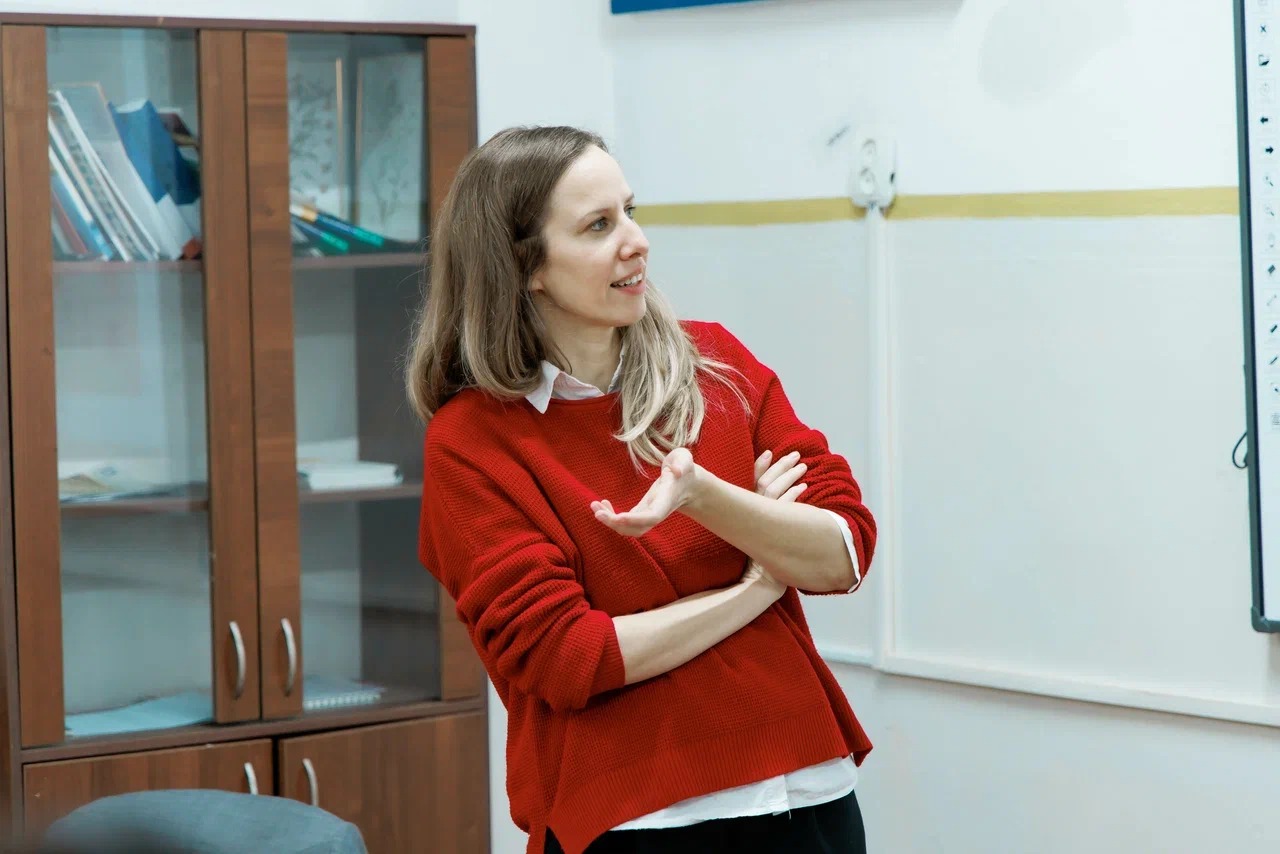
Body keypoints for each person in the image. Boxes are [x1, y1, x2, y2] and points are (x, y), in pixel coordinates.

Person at [407, 126, 877, 854]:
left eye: (629, 211)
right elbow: (572, 658)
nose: (637, 242)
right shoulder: (472, 443)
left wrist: (705, 497)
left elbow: (842, 553)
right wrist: (758, 584)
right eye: (598, 226)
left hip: (808, 789)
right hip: (634, 818)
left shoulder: (717, 364)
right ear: (524, 267)